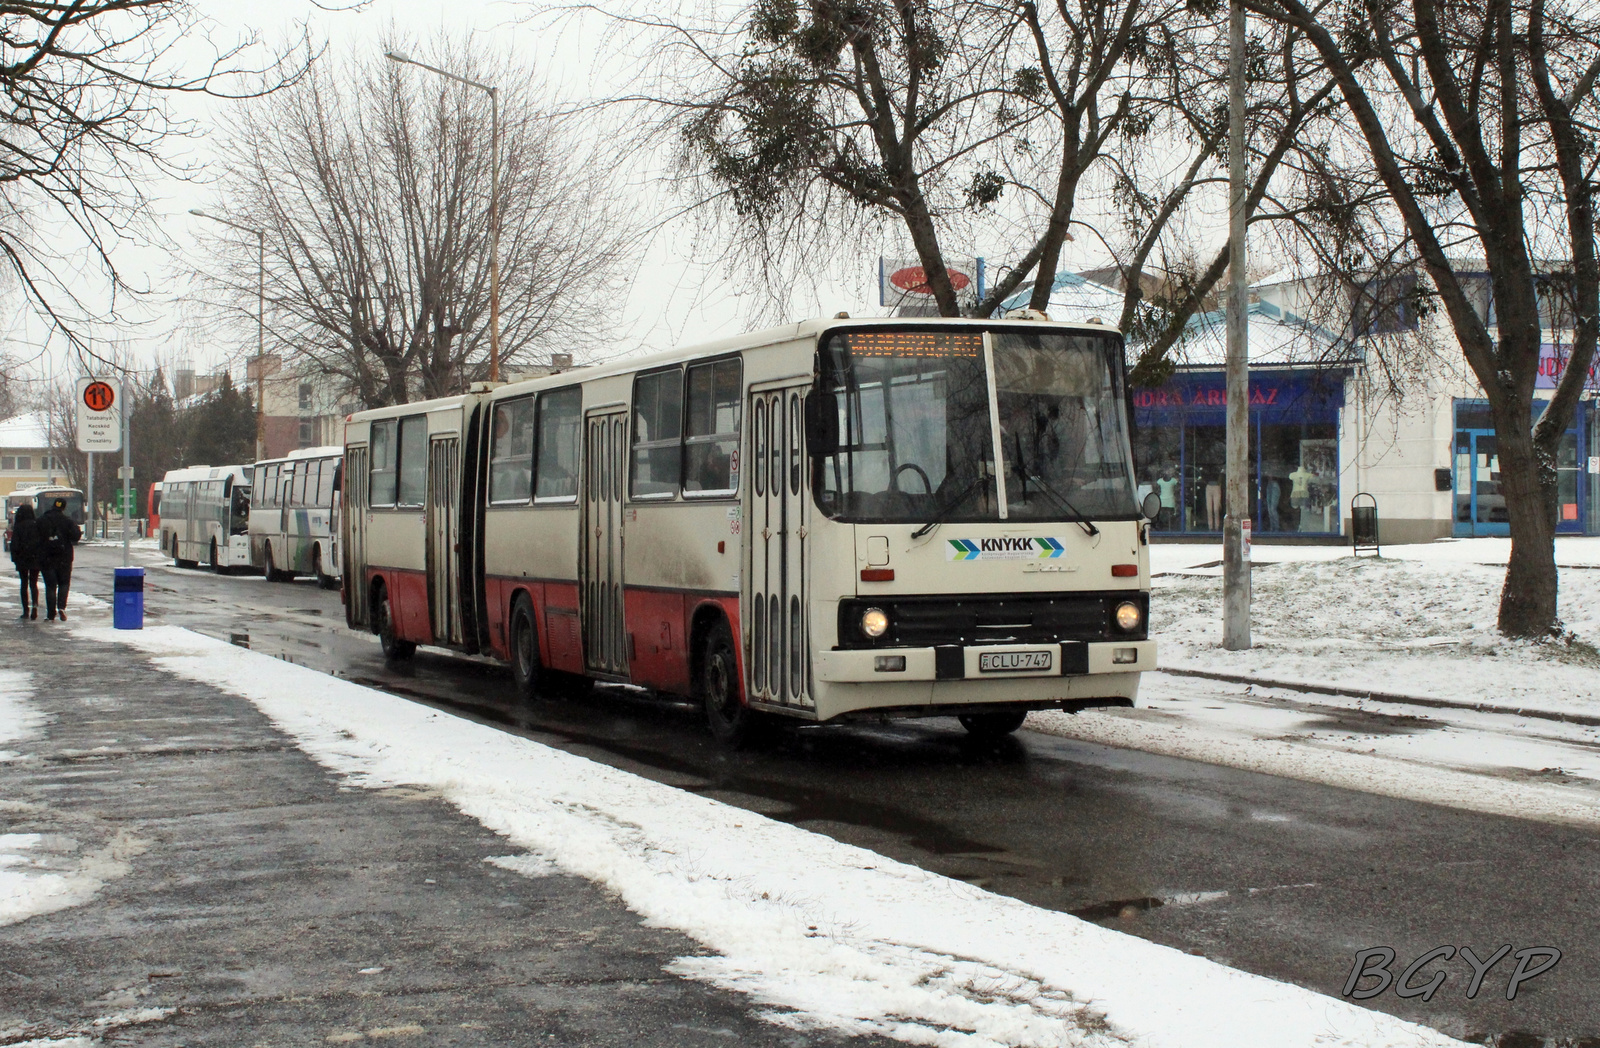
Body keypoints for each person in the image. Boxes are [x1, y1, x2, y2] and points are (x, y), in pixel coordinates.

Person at [36, 497, 81, 621]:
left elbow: (35, 537)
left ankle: (51, 614)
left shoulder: (42, 520)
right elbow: (76, 537)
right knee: (64, 583)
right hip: (64, 557)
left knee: (50, 586)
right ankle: (61, 607)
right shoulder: (67, 521)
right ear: (64, 507)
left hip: (47, 557)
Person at [8, 503, 41, 620]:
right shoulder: (37, 525)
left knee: (24, 584)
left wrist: (15, 558)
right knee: (34, 583)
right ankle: (35, 606)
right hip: (35, 558)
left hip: (22, 558)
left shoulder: (19, 526)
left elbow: (14, 544)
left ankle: (25, 610)